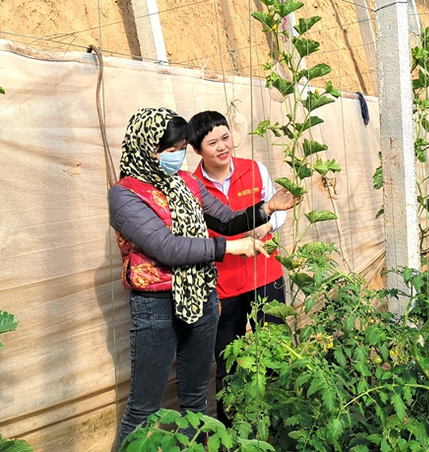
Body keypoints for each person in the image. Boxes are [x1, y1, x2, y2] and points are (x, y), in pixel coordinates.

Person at [108, 107, 297, 450]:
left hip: (202, 298)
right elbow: (167, 248)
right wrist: (231, 248)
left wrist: (267, 209)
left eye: (181, 148)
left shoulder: (187, 181)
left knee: (196, 400)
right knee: (143, 409)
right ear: (144, 149)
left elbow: (225, 219)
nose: (177, 156)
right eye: (169, 150)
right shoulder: (125, 194)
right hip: (157, 307)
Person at [188, 110, 288, 427]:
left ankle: (277, 423)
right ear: (197, 150)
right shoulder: (192, 185)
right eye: (212, 142)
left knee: (276, 350)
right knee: (228, 361)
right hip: (224, 283)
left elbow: (277, 208)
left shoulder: (254, 169)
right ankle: (230, 435)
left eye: (226, 137)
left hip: (265, 274)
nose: (222, 147)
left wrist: (266, 225)